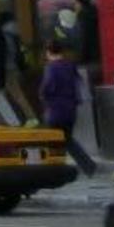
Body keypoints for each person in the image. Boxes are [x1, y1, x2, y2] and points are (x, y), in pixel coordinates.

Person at [36, 38, 98, 175]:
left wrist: (42, 95)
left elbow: (47, 87)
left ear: (48, 52)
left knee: (52, 139)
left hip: (55, 110)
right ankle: (88, 166)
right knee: (66, 139)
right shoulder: (70, 66)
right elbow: (78, 84)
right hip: (70, 109)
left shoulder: (51, 68)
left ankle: (52, 168)